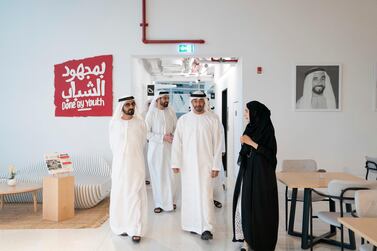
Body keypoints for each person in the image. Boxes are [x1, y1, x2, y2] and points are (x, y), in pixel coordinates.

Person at [171, 91, 223, 241]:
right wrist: (176, 162)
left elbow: (218, 144)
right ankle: (192, 225)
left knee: (206, 195)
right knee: (190, 194)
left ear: (204, 102)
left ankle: (207, 227)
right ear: (191, 102)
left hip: (206, 165)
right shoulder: (184, 120)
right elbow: (177, 143)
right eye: (195, 101)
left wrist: (216, 166)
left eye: (201, 101)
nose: (198, 104)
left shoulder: (212, 119)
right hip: (188, 166)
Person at [232, 101, 279, 251]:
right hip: (249, 173)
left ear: (256, 113)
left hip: (262, 176)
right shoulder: (250, 127)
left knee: (261, 207)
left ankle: (262, 242)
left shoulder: (267, 130)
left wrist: (251, 143)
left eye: (247, 111)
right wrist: (245, 145)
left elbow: (271, 155)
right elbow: (245, 152)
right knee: (246, 205)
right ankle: (247, 239)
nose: (245, 114)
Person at [109, 95, 148, 243]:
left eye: (133, 104)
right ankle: (121, 226)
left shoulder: (140, 123)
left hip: (136, 164)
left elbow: (142, 142)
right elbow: (113, 145)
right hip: (119, 166)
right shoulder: (114, 124)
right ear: (121, 107)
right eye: (128, 105)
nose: (131, 107)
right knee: (120, 195)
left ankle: (135, 229)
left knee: (135, 195)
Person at [145, 90, 177, 213]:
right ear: (157, 99)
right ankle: (158, 204)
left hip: (169, 149)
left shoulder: (171, 112)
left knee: (170, 177)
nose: (166, 100)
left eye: (167, 98)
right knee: (157, 177)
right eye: (164, 98)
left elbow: (176, 128)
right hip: (155, 151)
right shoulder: (151, 114)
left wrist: (173, 136)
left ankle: (169, 202)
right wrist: (162, 137)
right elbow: (146, 133)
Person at [206, 98, 226, 209]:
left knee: (216, 179)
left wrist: (222, 150)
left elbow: (221, 134)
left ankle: (216, 199)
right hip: (203, 154)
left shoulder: (215, 117)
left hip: (214, 153)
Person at [141, 98, 152, 185]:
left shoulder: (154, 114)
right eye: (149, 104)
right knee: (144, 160)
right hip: (144, 142)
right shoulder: (142, 115)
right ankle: (144, 178)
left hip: (153, 142)